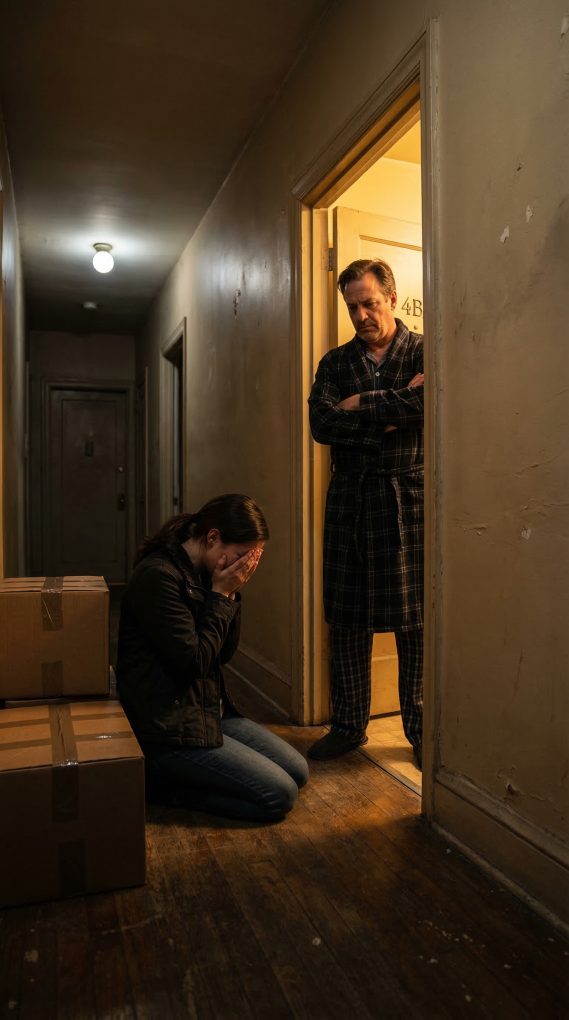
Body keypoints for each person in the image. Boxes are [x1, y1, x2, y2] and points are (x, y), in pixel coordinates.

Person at [117, 493, 309, 820]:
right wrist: (220, 595)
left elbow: (223, 653)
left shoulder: (210, 570)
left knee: (298, 770)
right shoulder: (158, 577)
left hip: (206, 710)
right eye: (242, 556)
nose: (244, 567)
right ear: (212, 538)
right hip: (168, 728)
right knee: (279, 796)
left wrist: (230, 593)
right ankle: (162, 785)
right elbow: (195, 662)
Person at [307, 258, 424, 767]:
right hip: (349, 503)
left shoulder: (425, 350)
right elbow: (321, 424)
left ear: (391, 298)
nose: (360, 316)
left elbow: (427, 406)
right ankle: (349, 726)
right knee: (347, 622)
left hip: (407, 500)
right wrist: (393, 411)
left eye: (369, 303)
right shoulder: (334, 363)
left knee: (415, 623)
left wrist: (360, 405)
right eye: (352, 306)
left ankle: (421, 729)